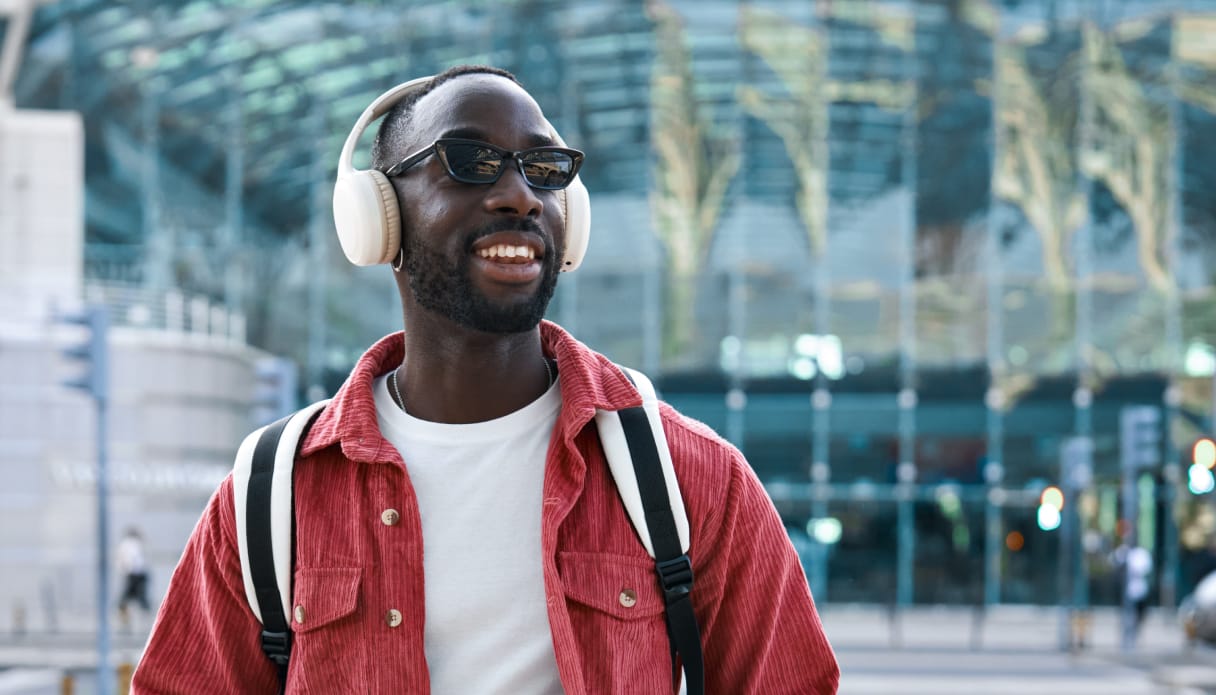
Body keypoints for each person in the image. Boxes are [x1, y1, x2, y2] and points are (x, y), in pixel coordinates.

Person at [133, 65, 838, 694]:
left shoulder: (691, 480)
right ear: (378, 215)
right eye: (470, 161)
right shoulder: (272, 495)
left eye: (544, 168)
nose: (519, 195)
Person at [115, 527, 149, 631]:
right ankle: (137, 621)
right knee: (140, 600)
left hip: (132, 574)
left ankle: (127, 621)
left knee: (125, 601)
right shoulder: (134, 543)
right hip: (137, 574)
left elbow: (124, 560)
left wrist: (123, 569)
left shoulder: (127, 544)